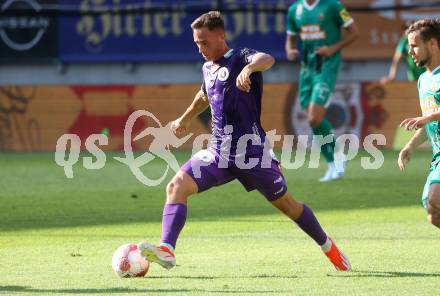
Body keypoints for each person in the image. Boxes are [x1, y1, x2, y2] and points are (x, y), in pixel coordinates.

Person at [138, 11, 351, 272]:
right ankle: (167, 249)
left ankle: (329, 247)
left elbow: (268, 58)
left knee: (287, 205)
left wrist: (249, 69)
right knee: (176, 186)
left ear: (220, 36)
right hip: (218, 152)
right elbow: (203, 96)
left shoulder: (240, 57)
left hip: (252, 153)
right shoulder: (208, 68)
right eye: (196, 43)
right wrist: (183, 120)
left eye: (204, 42)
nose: (200, 49)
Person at [285, 0, 359, 182]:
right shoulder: (295, 10)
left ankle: (338, 157)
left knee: (313, 117)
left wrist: (333, 48)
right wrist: (290, 50)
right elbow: (290, 39)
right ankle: (334, 163)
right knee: (314, 121)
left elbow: (355, 32)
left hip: (326, 68)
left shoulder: (333, 6)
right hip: (307, 70)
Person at [398, 19, 440, 229]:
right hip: (437, 156)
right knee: (433, 214)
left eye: (415, 45)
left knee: (435, 200)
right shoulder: (423, 80)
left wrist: (429, 117)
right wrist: (410, 145)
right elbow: (430, 122)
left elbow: (431, 117)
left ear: (432, 44)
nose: (410, 51)